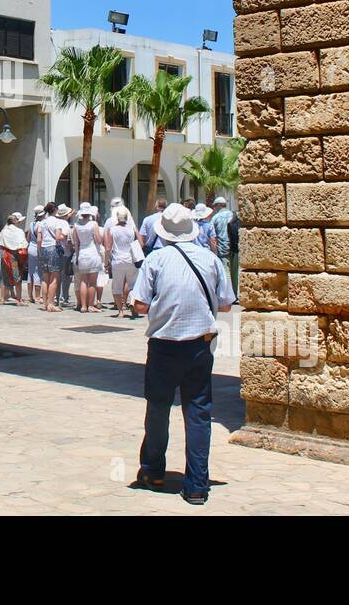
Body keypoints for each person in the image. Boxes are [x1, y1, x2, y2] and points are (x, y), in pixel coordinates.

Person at [128, 202, 235, 506]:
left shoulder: (156, 260)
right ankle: (197, 485)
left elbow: (139, 304)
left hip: (164, 344)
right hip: (200, 345)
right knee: (199, 412)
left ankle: (152, 471)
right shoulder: (211, 260)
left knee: (158, 409)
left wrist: (164, 305)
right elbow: (227, 303)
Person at [105, 205, 142, 318]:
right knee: (132, 285)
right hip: (131, 259)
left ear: (117, 217)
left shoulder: (113, 229)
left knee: (117, 285)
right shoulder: (132, 228)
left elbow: (108, 248)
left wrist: (106, 262)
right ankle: (131, 303)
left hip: (118, 259)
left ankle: (120, 311)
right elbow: (141, 242)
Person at [36, 202, 70, 313]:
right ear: (55, 210)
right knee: (54, 278)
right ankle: (51, 303)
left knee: (45, 278)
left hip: (44, 249)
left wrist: (40, 251)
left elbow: (39, 239)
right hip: (53, 248)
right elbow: (57, 237)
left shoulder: (42, 223)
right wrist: (65, 235)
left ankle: (45, 303)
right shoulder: (57, 222)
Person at [71, 202, 104, 312]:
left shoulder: (76, 225)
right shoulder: (93, 224)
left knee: (83, 281)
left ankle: (83, 306)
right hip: (92, 252)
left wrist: (76, 256)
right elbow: (99, 240)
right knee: (93, 282)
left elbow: (76, 243)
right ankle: (90, 305)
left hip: (82, 253)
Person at [0, 212, 29, 305]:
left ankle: (2, 299)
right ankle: (19, 300)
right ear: (15, 221)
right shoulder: (19, 231)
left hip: (5, 255)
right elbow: (24, 244)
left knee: (4, 277)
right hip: (15, 255)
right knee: (17, 277)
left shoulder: (4, 231)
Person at [210, 195, 238, 295]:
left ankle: (228, 295)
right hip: (235, 247)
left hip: (222, 249)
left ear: (218, 206)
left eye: (214, 206)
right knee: (235, 273)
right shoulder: (233, 215)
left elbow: (212, 235)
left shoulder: (215, 218)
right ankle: (236, 294)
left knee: (226, 272)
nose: (214, 208)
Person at [55, 203, 75, 307]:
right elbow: (66, 238)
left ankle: (56, 297)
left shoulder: (56, 222)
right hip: (65, 252)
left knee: (57, 276)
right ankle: (64, 297)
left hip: (57, 252)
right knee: (66, 277)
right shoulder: (64, 224)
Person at [25, 204, 45, 305]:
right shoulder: (40, 225)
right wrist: (40, 251)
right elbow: (39, 239)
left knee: (30, 272)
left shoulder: (31, 224)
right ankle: (37, 297)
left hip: (30, 248)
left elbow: (28, 238)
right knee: (38, 272)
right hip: (37, 248)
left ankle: (29, 296)